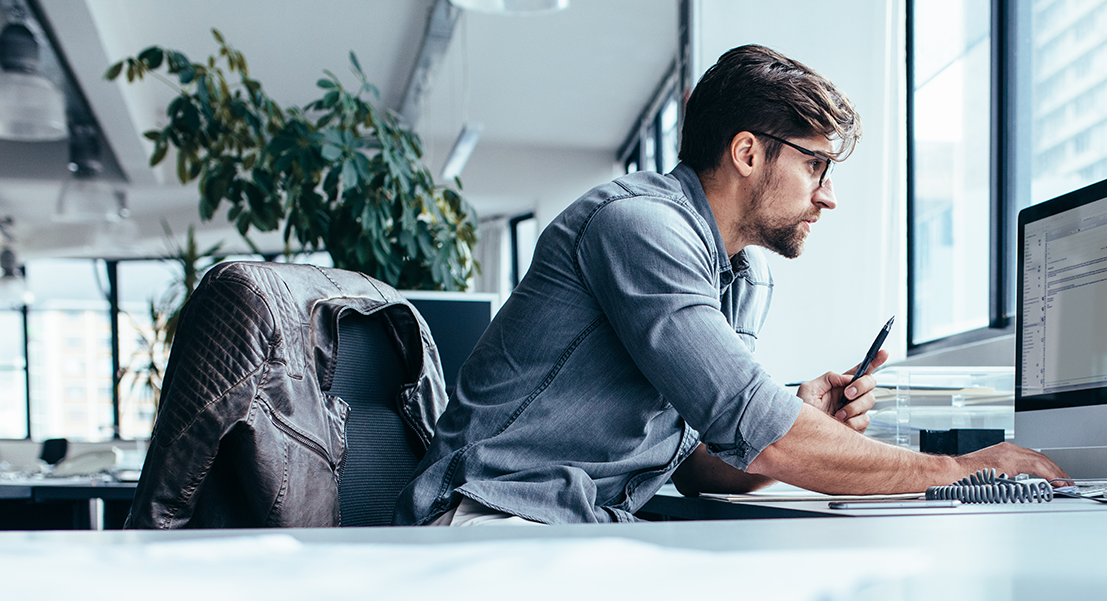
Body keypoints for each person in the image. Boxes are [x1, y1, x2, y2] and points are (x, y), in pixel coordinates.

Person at [392, 44, 1066, 527]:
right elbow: (761, 430)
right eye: (816, 165)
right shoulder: (639, 228)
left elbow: (698, 463)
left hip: (582, 522)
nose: (828, 196)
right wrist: (968, 471)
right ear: (747, 152)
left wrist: (804, 414)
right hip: (490, 515)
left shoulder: (744, 273)